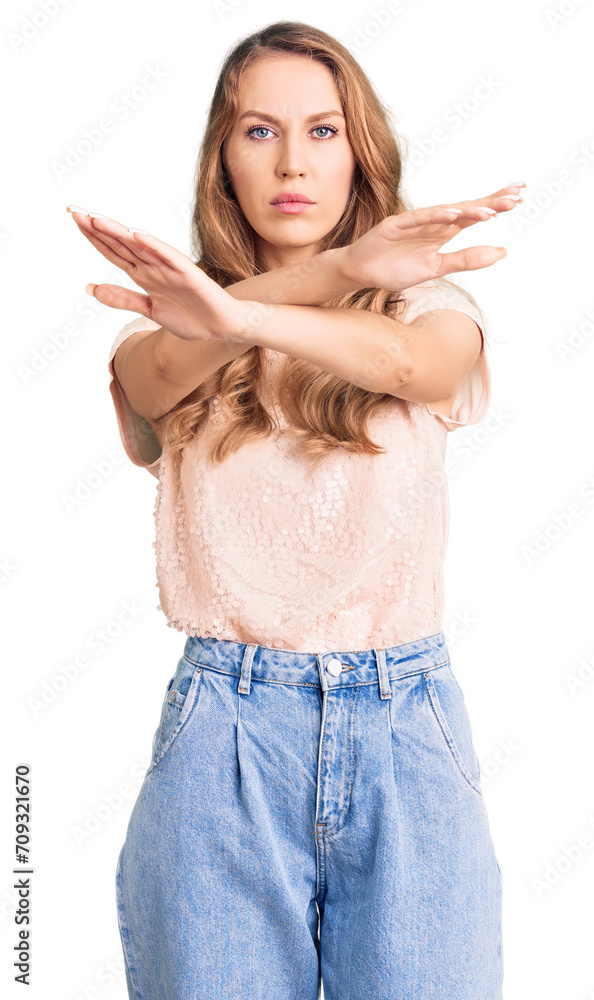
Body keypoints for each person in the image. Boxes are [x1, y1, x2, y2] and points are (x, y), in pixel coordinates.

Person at [68, 20, 523, 1000]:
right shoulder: (163, 333)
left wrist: (275, 305)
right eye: (258, 131)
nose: (292, 162)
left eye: (322, 131)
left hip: (407, 730)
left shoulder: (428, 309)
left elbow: (411, 368)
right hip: (222, 729)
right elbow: (160, 381)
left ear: (359, 150)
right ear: (221, 159)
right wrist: (326, 278)